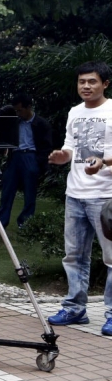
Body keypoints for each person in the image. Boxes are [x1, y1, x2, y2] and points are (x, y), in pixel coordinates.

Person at [46, 61, 112, 336]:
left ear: (105, 83)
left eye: (92, 81)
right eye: (82, 81)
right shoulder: (74, 112)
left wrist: (104, 161)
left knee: (111, 258)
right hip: (75, 194)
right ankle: (74, 308)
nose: (86, 86)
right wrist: (63, 156)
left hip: (106, 197)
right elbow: (70, 147)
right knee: (74, 256)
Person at [0, 93, 53, 229]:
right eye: (16, 110)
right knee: (7, 189)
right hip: (15, 156)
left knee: (30, 191)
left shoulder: (41, 123)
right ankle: (1, 222)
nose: (18, 113)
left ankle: (25, 222)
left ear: (28, 107)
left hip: (31, 156)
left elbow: (47, 144)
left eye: (20, 110)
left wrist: (39, 161)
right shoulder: (15, 122)